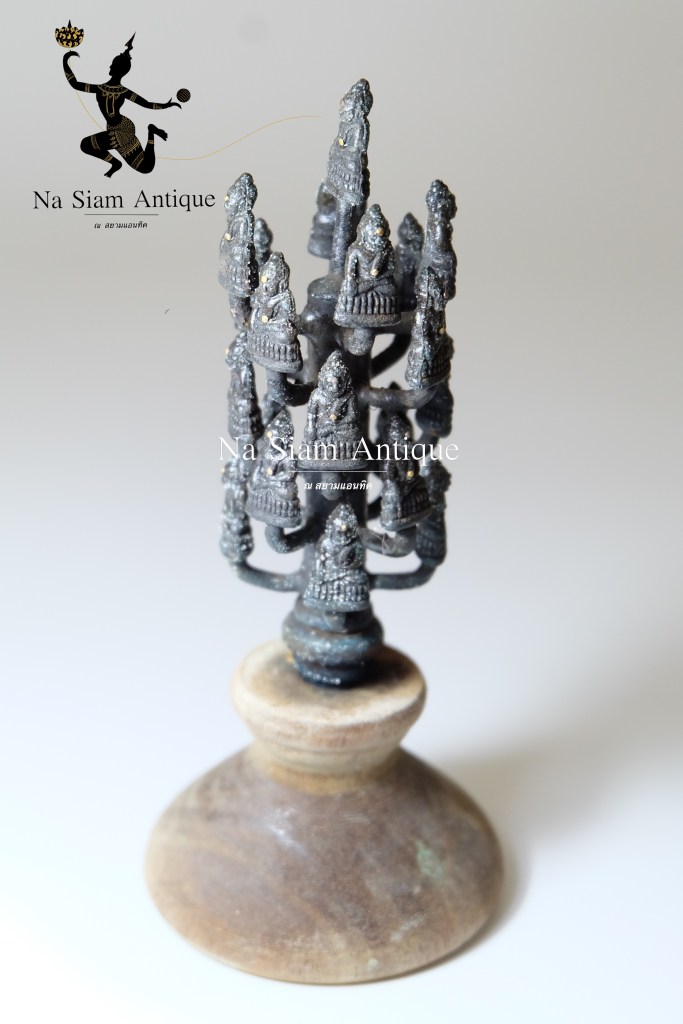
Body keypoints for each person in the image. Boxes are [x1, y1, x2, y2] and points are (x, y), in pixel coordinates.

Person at [62, 35, 180, 177]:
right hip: (113, 128)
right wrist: (65, 61)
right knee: (144, 166)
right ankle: (149, 133)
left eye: (113, 64)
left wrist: (166, 105)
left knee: (145, 167)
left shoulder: (121, 91)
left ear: (118, 68)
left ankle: (118, 161)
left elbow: (146, 104)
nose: (110, 66)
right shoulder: (101, 89)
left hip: (124, 128)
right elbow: (75, 84)